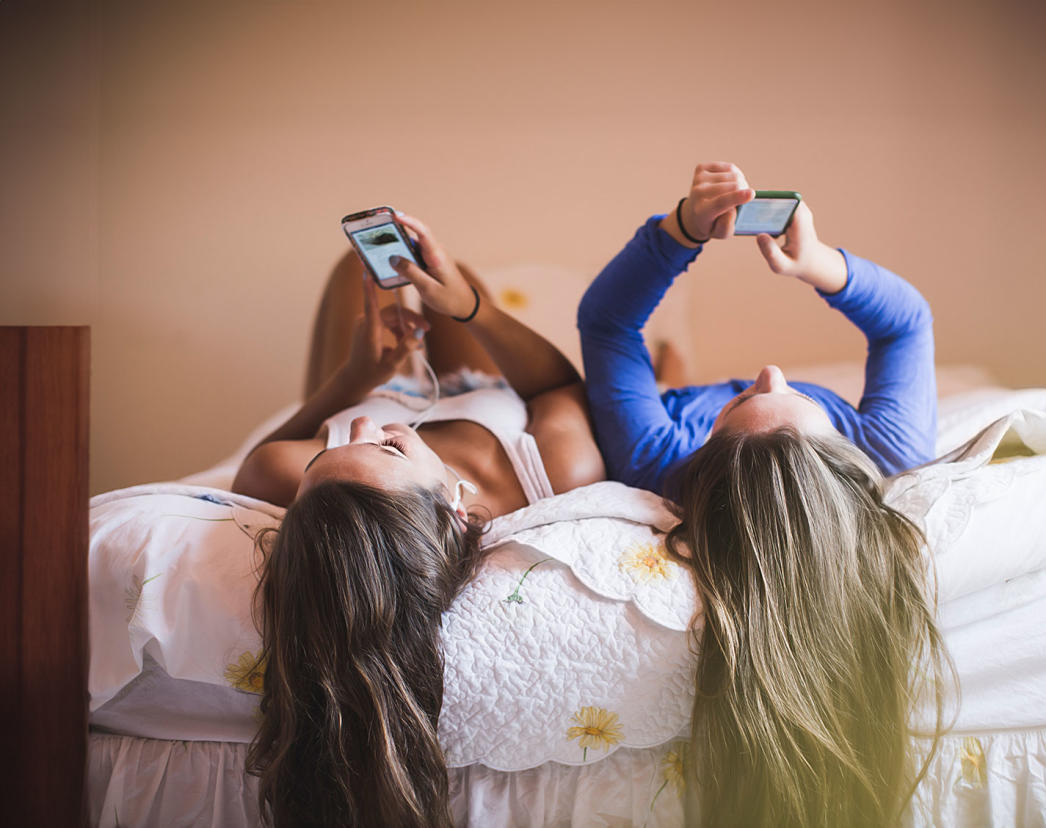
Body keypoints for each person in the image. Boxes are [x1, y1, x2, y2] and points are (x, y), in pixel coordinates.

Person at [577, 162, 953, 826]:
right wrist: (819, 265)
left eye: (752, 397)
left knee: (655, 368)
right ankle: (675, 363)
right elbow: (906, 324)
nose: (770, 371)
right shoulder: (885, 448)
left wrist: (681, 232)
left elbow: (607, 325)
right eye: (794, 395)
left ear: (706, 455)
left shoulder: (660, 457)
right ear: (842, 455)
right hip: (690, 395)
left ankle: (674, 368)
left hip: (671, 404)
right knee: (664, 362)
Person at [235, 214, 605, 827]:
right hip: (485, 391)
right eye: (385, 449)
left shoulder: (287, 468)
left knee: (359, 267)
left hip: (368, 378)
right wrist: (470, 309)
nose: (361, 429)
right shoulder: (554, 471)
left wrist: (354, 380)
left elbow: (257, 460)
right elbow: (558, 384)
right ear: (453, 507)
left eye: (326, 456)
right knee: (445, 278)